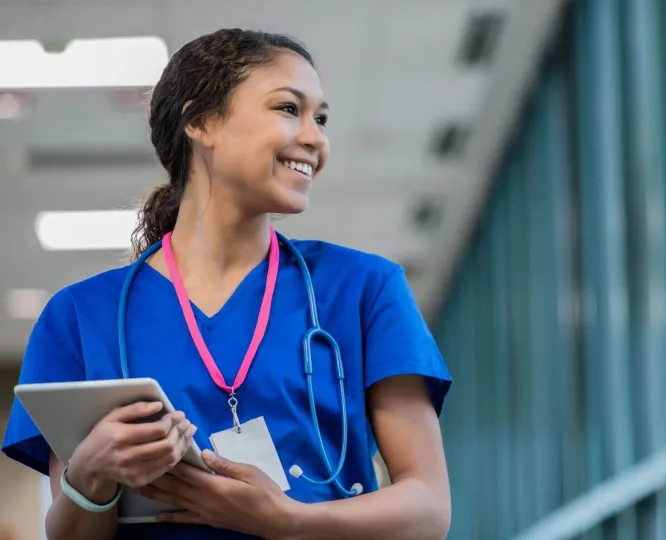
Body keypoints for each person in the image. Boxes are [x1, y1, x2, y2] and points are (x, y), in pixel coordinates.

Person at [1, 29, 452, 540]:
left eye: (321, 118)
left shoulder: (364, 291)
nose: (315, 138)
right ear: (200, 121)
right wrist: (90, 475)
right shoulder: (79, 318)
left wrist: (287, 521)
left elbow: (429, 508)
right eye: (288, 109)